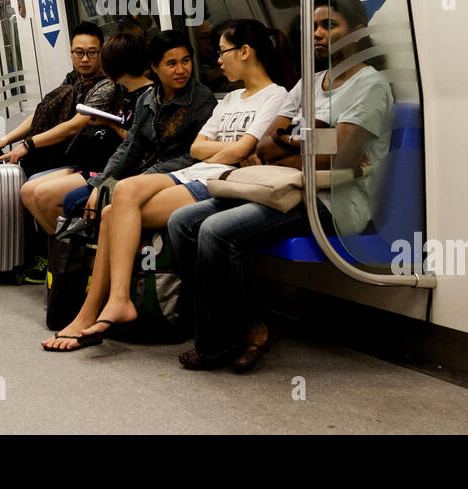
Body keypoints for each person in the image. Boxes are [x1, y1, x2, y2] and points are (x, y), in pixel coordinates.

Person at [168, 0, 392, 371]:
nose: (318, 33)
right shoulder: (310, 82)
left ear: (358, 32)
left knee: (217, 231)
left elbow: (339, 158)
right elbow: (268, 145)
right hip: (287, 186)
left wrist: (296, 139)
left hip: (337, 199)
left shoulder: (369, 86)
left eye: (329, 26)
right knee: (182, 222)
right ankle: (252, 323)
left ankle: (216, 344)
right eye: (314, 26)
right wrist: (312, 136)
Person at [44, 19, 290, 351]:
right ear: (155, 68)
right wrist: (231, 149)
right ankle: (100, 307)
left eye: (221, 53)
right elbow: (197, 149)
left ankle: (104, 308)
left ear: (244, 52)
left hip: (218, 180)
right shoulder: (228, 100)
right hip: (198, 171)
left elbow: (240, 149)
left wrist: (229, 149)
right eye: (171, 63)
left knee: (115, 209)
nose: (215, 61)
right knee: (113, 205)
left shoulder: (269, 97)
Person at [21, 30, 214, 237]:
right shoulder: (149, 100)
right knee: (64, 196)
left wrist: (120, 181)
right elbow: (129, 147)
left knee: (80, 202)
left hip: (165, 175)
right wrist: (103, 183)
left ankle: (85, 257)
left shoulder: (201, 100)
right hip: (135, 171)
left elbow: (187, 156)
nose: (181, 70)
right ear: (155, 67)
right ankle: (77, 258)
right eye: (172, 64)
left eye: (185, 61)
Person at [0, 21, 119, 176]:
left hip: (88, 158)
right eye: (79, 52)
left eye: (92, 52)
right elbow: (44, 113)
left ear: (101, 53)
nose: (85, 59)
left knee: (32, 183)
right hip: (64, 153)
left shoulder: (106, 86)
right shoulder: (73, 80)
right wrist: (7, 139)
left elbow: (74, 126)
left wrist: (28, 144)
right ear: (71, 53)